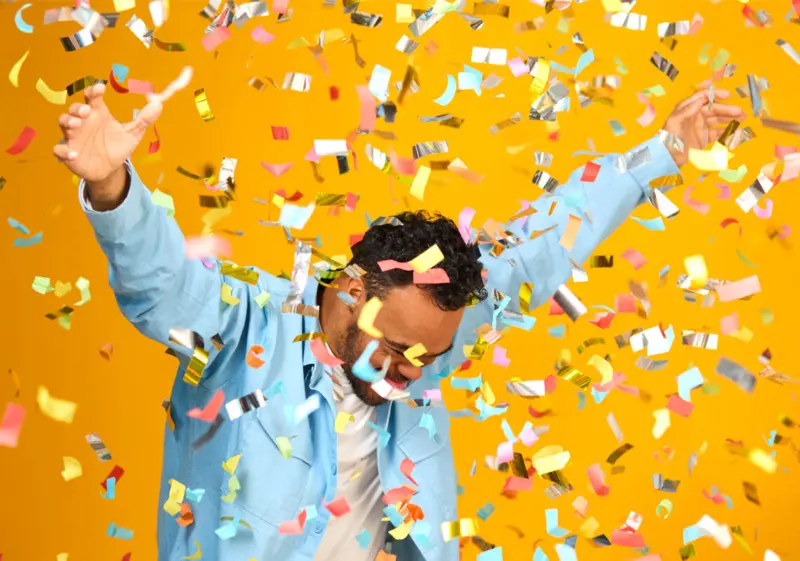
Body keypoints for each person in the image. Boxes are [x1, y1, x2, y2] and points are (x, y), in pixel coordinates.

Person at [53, 76, 745, 561]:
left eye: (427, 357)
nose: (407, 373)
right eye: (396, 347)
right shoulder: (241, 321)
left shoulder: (431, 327)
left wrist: (667, 149)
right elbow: (161, 285)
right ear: (352, 290)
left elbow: (538, 254)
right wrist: (111, 186)